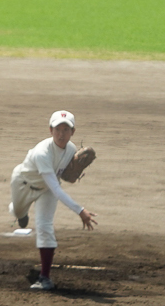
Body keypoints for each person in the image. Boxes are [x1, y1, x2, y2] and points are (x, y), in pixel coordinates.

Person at [10, 110, 99, 291]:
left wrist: (71, 174)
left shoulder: (72, 149)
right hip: (23, 185)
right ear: (50, 130)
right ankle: (20, 212)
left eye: (66, 130)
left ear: (72, 132)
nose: (61, 134)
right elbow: (57, 189)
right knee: (19, 213)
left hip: (47, 190)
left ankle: (44, 278)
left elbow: (61, 179)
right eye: (58, 129)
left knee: (45, 227)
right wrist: (80, 210)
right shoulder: (42, 152)